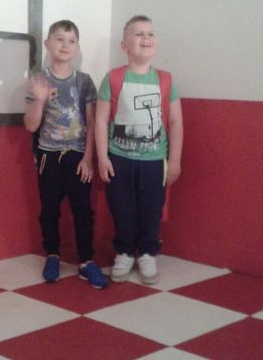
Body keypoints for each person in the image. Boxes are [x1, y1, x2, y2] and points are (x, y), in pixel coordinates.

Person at [95, 15, 184, 284]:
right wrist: (102, 157)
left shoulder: (165, 80)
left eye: (150, 34)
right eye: (138, 34)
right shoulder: (113, 78)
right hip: (118, 158)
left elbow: (175, 121)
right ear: (124, 45)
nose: (146, 38)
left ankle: (147, 252)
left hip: (155, 160)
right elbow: (101, 120)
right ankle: (123, 252)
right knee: (121, 207)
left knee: (151, 208)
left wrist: (175, 160)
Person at [24, 20, 109, 289]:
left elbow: (92, 122)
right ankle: (52, 255)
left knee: (83, 210)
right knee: (49, 209)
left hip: (77, 155)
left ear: (77, 48)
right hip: (48, 156)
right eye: (59, 39)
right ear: (48, 43)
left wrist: (88, 158)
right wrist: (40, 100)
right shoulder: (38, 80)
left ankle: (86, 261)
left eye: (71, 40)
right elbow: (31, 125)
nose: (65, 45)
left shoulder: (84, 82)